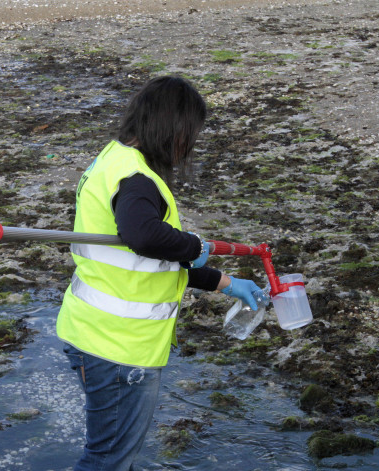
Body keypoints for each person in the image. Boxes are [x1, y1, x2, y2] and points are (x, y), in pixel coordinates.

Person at [56, 75, 267, 471]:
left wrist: (225, 283)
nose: (190, 145)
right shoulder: (137, 179)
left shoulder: (114, 159)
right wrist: (196, 246)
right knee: (108, 460)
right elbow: (144, 236)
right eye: (191, 133)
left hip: (93, 333)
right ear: (174, 128)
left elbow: (150, 260)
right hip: (117, 347)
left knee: (114, 455)